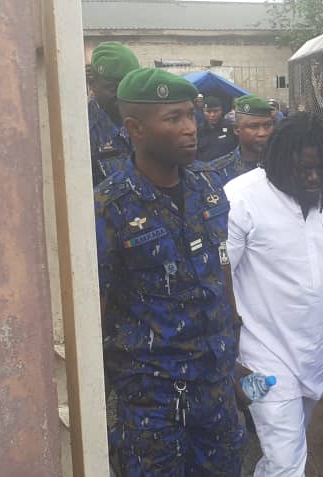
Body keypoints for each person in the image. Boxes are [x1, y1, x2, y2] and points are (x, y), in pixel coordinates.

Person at [95, 67, 246, 476]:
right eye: (174, 118)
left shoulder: (207, 188)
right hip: (153, 404)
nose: (190, 128)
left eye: (190, 114)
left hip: (215, 392)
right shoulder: (109, 207)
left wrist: (232, 350)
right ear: (135, 129)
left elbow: (220, 265)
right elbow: (95, 311)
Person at [224, 113, 323, 477]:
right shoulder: (240, 198)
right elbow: (220, 279)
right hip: (262, 353)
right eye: (303, 170)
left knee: (288, 446)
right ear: (276, 163)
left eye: (321, 169)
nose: (314, 178)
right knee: (287, 459)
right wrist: (229, 356)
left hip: (319, 351)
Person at [87, 42, 140, 185]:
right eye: (113, 87)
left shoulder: (146, 121)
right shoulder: (82, 131)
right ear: (93, 84)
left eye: (128, 87)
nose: (121, 94)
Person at [207, 95, 275, 183]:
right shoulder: (216, 172)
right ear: (236, 129)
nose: (262, 133)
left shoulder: (284, 165)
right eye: (253, 126)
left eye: (267, 125)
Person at [197, 95, 237, 162]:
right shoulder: (198, 130)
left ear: (221, 110)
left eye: (215, 111)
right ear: (203, 112)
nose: (212, 115)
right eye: (208, 111)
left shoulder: (231, 128)